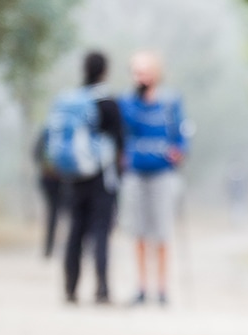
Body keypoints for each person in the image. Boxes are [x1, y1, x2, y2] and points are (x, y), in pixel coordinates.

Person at [47, 51, 123, 304]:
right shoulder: (107, 102)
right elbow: (120, 141)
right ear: (105, 71)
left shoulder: (71, 100)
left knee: (75, 231)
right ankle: (102, 289)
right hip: (101, 176)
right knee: (101, 231)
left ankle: (70, 288)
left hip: (73, 177)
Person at [118, 51, 188, 306]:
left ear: (156, 73)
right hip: (135, 173)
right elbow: (121, 132)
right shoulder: (126, 102)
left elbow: (182, 133)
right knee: (138, 230)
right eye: (136, 72)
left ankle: (162, 288)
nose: (140, 77)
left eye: (145, 71)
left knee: (162, 231)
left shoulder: (170, 102)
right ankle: (141, 286)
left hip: (162, 173)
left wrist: (179, 152)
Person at [32, 126, 65, 258]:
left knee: (52, 213)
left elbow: (35, 153)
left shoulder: (47, 131)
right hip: (69, 179)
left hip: (48, 178)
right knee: (72, 215)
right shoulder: (74, 129)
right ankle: (72, 247)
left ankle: (48, 248)